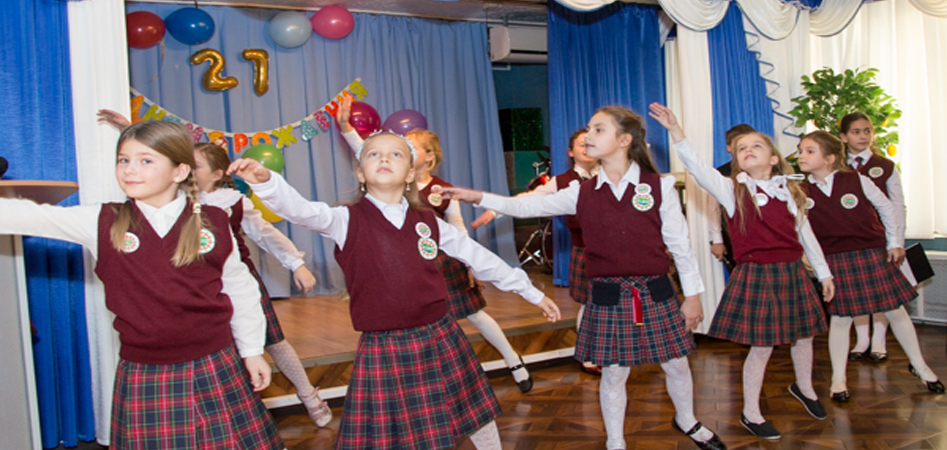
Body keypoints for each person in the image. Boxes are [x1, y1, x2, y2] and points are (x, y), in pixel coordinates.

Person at [228, 131, 561, 449]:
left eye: (395, 154)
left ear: (410, 174)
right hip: (384, 345)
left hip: (439, 335)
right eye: (374, 154)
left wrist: (532, 293)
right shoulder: (344, 219)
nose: (384, 159)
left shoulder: (428, 221)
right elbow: (300, 211)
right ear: (361, 173)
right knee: (401, 433)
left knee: (473, 412)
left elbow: (480, 257)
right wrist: (267, 182)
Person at [436, 106, 725, 450]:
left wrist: (693, 296)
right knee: (613, 372)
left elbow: (681, 246)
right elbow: (528, 206)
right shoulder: (582, 192)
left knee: (676, 364)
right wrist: (478, 197)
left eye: (598, 129)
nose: (588, 135)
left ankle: (688, 420)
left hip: (656, 290)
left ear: (624, 140)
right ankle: (615, 441)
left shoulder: (659, 186)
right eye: (588, 129)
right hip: (607, 293)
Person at [0, 121, 282, 449]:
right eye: (123, 160)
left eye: (145, 160)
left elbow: (240, 289)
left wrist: (251, 351)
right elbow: (24, 215)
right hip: (144, 371)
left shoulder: (214, 221)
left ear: (179, 171)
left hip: (215, 363)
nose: (129, 169)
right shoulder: (101, 221)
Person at [649, 103, 835, 441]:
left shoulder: (789, 190)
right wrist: (676, 131)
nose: (748, 150)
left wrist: (824, 274)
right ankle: (751, 412)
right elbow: (697, 167)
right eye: (741, 148)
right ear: (736, 160)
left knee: (805, 335)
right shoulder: (733, 190)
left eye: (756, 146)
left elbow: (806, 235)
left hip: (792, 273)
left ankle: (804, 388)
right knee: (762, 347)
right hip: (758, 275)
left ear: (774, 158)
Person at [333, 100, 536, 393]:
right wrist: (347, 128)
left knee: (475, 314)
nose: (399, 151)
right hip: (413, 267)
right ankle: (439, 380)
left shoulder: (442, 189)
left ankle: (514, 361)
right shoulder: (394, 180)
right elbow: (368, 153)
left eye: (411, 148)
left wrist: (469, 265)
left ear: (428, 157)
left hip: (443, 262)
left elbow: (457, 228)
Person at [194, 142, 334, 425]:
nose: (185, 169)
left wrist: (296, 264)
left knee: (274, 341)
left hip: (238, 281)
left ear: (216, 174)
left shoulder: (234, 202)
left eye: (195, 165)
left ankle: (308, 394)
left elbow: (266, 234)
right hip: (199, 285)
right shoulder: (175, 201)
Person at [796, 130, 944, 399]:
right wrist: (810, 258)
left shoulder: (857, 180)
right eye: (800, 151)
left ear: (830, 158)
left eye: (809, 151)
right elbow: (801, 229)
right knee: (841, 319)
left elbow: (887, 209)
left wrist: (894, 242)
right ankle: (838, 379)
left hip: (871, 254)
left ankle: (920, 366)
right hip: (835, 259)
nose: (801, 156)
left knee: (895, 311)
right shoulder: (801, 191)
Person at [473, 128, 603, 376]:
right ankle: (587, 355)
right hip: (585, 250)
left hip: (614, 250)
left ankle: (614, 351)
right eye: (581, 144)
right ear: (570, 152)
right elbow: (529, 198)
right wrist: (496, 210)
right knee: (589, 303)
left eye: (591, 143)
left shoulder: (611, 175)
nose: (587, 148)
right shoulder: (561, 182)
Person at [839, 112, 904, 363]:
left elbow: (896, 205)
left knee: (881, 293)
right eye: (856, 132)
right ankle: (862, 339)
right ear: (844, 137)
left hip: (880, 239)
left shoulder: (885, 166)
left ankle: (879, 340)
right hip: (851, 240)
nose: (863, 136)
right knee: (857, 292)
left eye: (867, 131)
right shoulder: (838, 166)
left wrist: (897, 240)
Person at [708, 124, 756, 272]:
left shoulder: (764, 169)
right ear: (729, 148)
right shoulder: (721, 174)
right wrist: (717, 240)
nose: (747, 150)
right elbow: (713, 208)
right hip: (733, 235)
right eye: (740, 145)